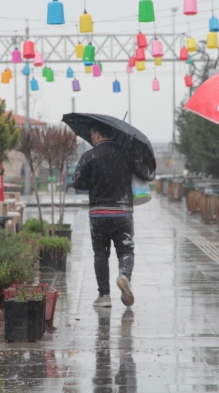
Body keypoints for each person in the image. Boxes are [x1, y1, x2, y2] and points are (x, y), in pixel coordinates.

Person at [73, 121, 155, 307]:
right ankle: (124, 276)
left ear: (97, 135)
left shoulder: (89, 156)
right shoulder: (126, 154)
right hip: (123, 212)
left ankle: (104, 297)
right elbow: (147, 173)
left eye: (92, 134)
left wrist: (93, 180)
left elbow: (77, 183)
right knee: (126, 249)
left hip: (98, 213)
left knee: (100, 254)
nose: (92, 137)